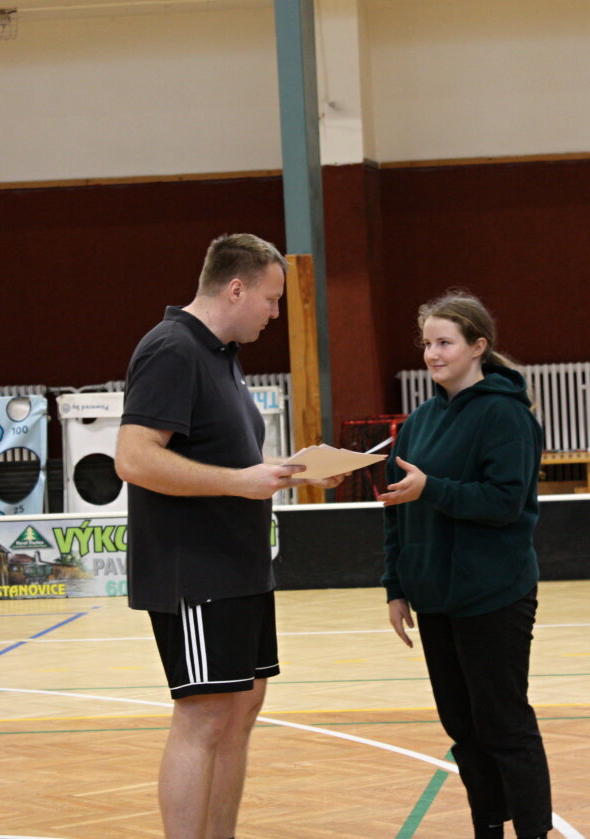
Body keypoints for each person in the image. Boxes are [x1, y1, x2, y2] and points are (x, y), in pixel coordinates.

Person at [115, 233, 343, 839]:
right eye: (271, 298)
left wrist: (291, 471)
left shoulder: (220, 355)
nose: (275, 312)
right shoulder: (171, 349)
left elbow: (225, 460)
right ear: (235, 289)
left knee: (242, 707)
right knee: (205, 716)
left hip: (240, 566)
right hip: (196, 572)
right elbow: (134, 458)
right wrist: (242, 482)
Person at [380, 290, 553, 839]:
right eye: (427, 343)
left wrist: (432, 488)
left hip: (494, 594)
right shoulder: (418, 422)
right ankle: (488, 826)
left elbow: (505, 503)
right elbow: (395, 508)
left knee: (504, 724)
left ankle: (532, 830)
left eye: (445, 343)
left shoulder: (506, 415)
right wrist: (395, 586)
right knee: (463, 726)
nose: (432, 354)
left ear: (478, 347)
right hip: (435, 598)